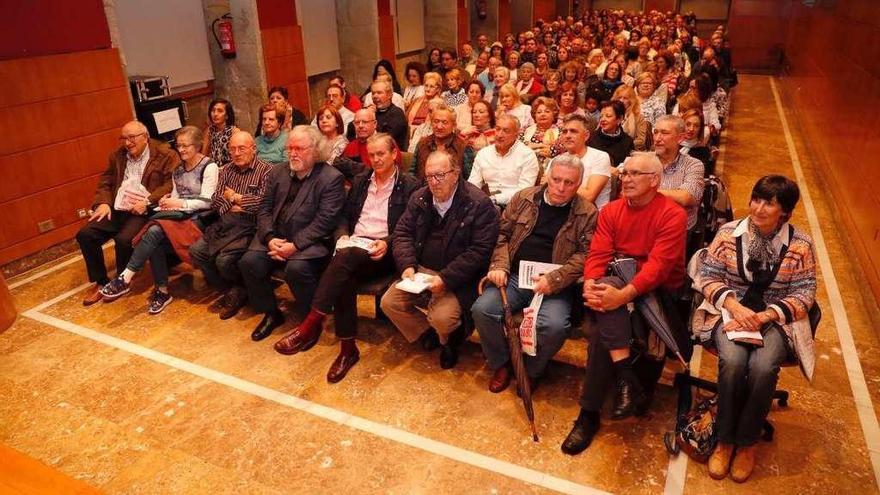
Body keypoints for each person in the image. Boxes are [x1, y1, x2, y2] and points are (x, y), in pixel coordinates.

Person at [561, 151, 688, 456]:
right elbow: (599, 253)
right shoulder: (612, 211)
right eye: (624, 173)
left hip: (658, 291)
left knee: (600, 334)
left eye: (634, 174)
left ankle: (589, 414)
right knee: (604, 299)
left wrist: (623, 294)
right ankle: (624, 381)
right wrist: (591, 281)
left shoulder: (672, 215)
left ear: (654, 180)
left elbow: (659, 268)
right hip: (616, 282)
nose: (626, 179)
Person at [271, 134, 419, 383]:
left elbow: (410, 228)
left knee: (342, 262)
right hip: (353, 248)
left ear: (394, 154)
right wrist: (342, 236)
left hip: (384, 251)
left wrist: (387, 242)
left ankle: (310, 325)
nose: (376, 159)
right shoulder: (362, 181)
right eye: (371, 155)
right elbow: (342, 217)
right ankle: (347, 350)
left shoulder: (410, 185)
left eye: (381, 154)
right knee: (344, 270)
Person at [698, 175, 816, 483]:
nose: (759, 208)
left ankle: (747, 443)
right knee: (735, 363)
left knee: (764, 368)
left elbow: (804, 293)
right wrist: (735, 306)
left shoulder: (800, 245)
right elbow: (707, 276)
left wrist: (765, 317)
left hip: (775, 321)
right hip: (729, 314)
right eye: (756, 199)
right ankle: (724, 441)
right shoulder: (727, 233)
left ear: (785, 212)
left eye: (770, 204)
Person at [472, 154, 598, 391]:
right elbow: (501, 235)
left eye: (569, 183)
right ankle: (503, 363)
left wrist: (554, 280)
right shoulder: (523, 198)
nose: (561, 187)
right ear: (546, 176)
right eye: (556, 179)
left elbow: (586, 255)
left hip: (555, 284)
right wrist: (499, 266)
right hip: (515, 276)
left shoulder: (587, 212)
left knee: (554, 326)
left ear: (579, 183)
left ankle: (531, 370)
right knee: (482, 310)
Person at [381, 151, 499, 369]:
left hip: (457, 277)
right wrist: (407, 265)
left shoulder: (478, 204)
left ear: (455, 174)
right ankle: (429, 334)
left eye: (440, 175)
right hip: (422, 270)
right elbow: (403, 232)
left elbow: (480, 251)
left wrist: (446, 279)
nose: (434, 183)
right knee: (390, 303)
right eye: (429, 176)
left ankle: (449, 342)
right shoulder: (420, 197)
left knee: (443, 318)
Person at [239, 126, 346, 342]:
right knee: (249, 261)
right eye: (290, 148)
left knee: (296, 269)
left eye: (299, 148)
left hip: (310, 242)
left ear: (315, 151)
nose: (292, 153)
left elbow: (325, 222)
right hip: (276, 238)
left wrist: (294, 246)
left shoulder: (330, 178)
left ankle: (311, 321)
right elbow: (264, 209)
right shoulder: (278, 172)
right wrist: (269, 239)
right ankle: (271, 313)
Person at [99, 126, 219, 313]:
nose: (181, 150)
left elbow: (208, 201)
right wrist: (165, 201)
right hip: (178, 217)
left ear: (197, 146)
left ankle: (134, 281)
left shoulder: (209, 166)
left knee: (154, 231)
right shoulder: (178, 169)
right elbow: (176, 194)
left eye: (186, 146)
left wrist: (178, 203)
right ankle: (155, 288)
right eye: (179, 145)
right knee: (155, 233)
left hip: (200, 218)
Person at [77, 121, 177, 306]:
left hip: (142, 209)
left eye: (132, 138)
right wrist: (104, 203)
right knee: (86, 234)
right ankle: (101, 282)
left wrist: (147, 202)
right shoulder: (117, 156)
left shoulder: (165, 154)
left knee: (124, 240)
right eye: (124, 138)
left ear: (145, 137)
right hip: (117, 206)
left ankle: (122, 280)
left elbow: (171, 183)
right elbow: (105, 181)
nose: (127, 143)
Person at [189, 131, 273, 320]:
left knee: (224, 260)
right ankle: (233, 289)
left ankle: (238, 291)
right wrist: (235, 204)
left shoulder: (267, 171)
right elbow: (216, 201)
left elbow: (264, 203)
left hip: (252, 227)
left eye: (241, 148)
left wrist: (235, 197)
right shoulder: (226, 170)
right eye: (232, 149)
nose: (236, 153)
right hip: (226, 225)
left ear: (253, 149)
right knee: (196, 251)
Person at [468, 114, 540, 206]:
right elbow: (473, 184)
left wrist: (495, 199)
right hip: (485, 204)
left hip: (515, 206)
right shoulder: (483, 154)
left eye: (506, 131)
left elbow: (524, 191)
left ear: (516, 134)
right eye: (497, 129)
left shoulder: (527, 155)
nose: (499, 135)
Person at [652, 115, 705, 231]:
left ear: (680, 138)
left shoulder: (693, 165)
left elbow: (686, 197)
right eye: (655, 133)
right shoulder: (644, 161)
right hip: (646, 226)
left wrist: (647, 191)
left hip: (679, 230)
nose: (657, 138)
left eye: (664, 133)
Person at [552, 114, 613, 209]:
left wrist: (554, 183)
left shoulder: (600, 157)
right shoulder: (557, 160)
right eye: (564, 132)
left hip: (591, 216)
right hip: (560, 212)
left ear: (586, 135)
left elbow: (589, 197)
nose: (567, 135)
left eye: (573, 131)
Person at [412, 105, 475, 180]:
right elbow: (412, 173)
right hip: (423, 189)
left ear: (454, 125)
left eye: (444, 122)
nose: (439, 126)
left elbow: (469, 180)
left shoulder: (464, 147)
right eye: (436, 121)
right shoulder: (422, 143)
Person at [588, 100, 635, 166]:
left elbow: (628, 165)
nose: (603, 119)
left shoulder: (627, 141)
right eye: (601, 116)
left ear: (620, 119)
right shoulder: (591, 138)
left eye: (608, 116)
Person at [370, 80, 410, 151]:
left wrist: (371, 118)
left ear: (389, 95)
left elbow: (386, 139)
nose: (375, 96)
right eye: (373, 93)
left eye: (379, 93)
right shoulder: (370, 111)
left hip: (390, 152)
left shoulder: (397, 113)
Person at [612, 84, 650, 151]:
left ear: (631, 101)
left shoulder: (638, 117)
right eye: (619, 98)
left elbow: (641, 141)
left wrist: (622, 145)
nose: (621, 101)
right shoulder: (608, 114)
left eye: (625, 98)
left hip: (631, 151)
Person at [202, 98, 238, 167]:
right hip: (214, 170)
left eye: (220, 111)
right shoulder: (209, 130)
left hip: (231, 170)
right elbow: (204, 155)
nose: (215, 114)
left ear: (227, 116)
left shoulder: (234, 131)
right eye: (213, 110)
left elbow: (237, 156)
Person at [406, 72, 443, 137]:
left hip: (427, 134)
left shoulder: (440, 103)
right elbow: (406, 118)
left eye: (431, 87)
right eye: (426, 86)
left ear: (438, 89)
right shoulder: (416, 100)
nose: (428, 89)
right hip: (409, 133)